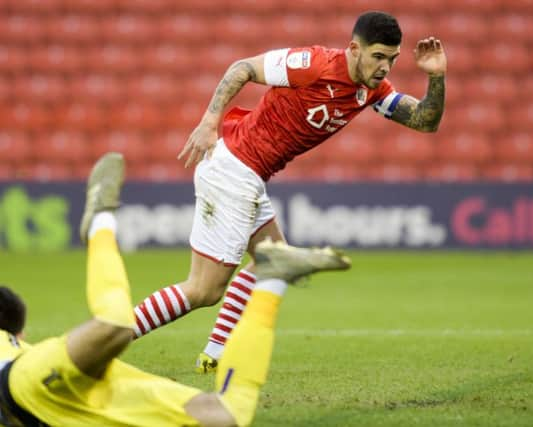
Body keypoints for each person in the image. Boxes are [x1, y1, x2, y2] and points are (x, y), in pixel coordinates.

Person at [130, 10, 446, 373]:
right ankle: (110, 335)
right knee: (204, 290)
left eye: (392, 59)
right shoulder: (313, 64)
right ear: (354, 49)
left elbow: (426, 121)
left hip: (248, 173)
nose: (385, 67)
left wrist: (436, 76)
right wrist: (208, 121)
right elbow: (243, 68)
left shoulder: (371, 90)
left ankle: (213, 356)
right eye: (378, 56)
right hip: (234, 166)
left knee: (272, 259)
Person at [0, 152, 350, 427]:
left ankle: (100, 222)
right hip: (73, 409)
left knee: (116, 326)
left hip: (21, 385)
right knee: (230, 414)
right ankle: (272, 281)